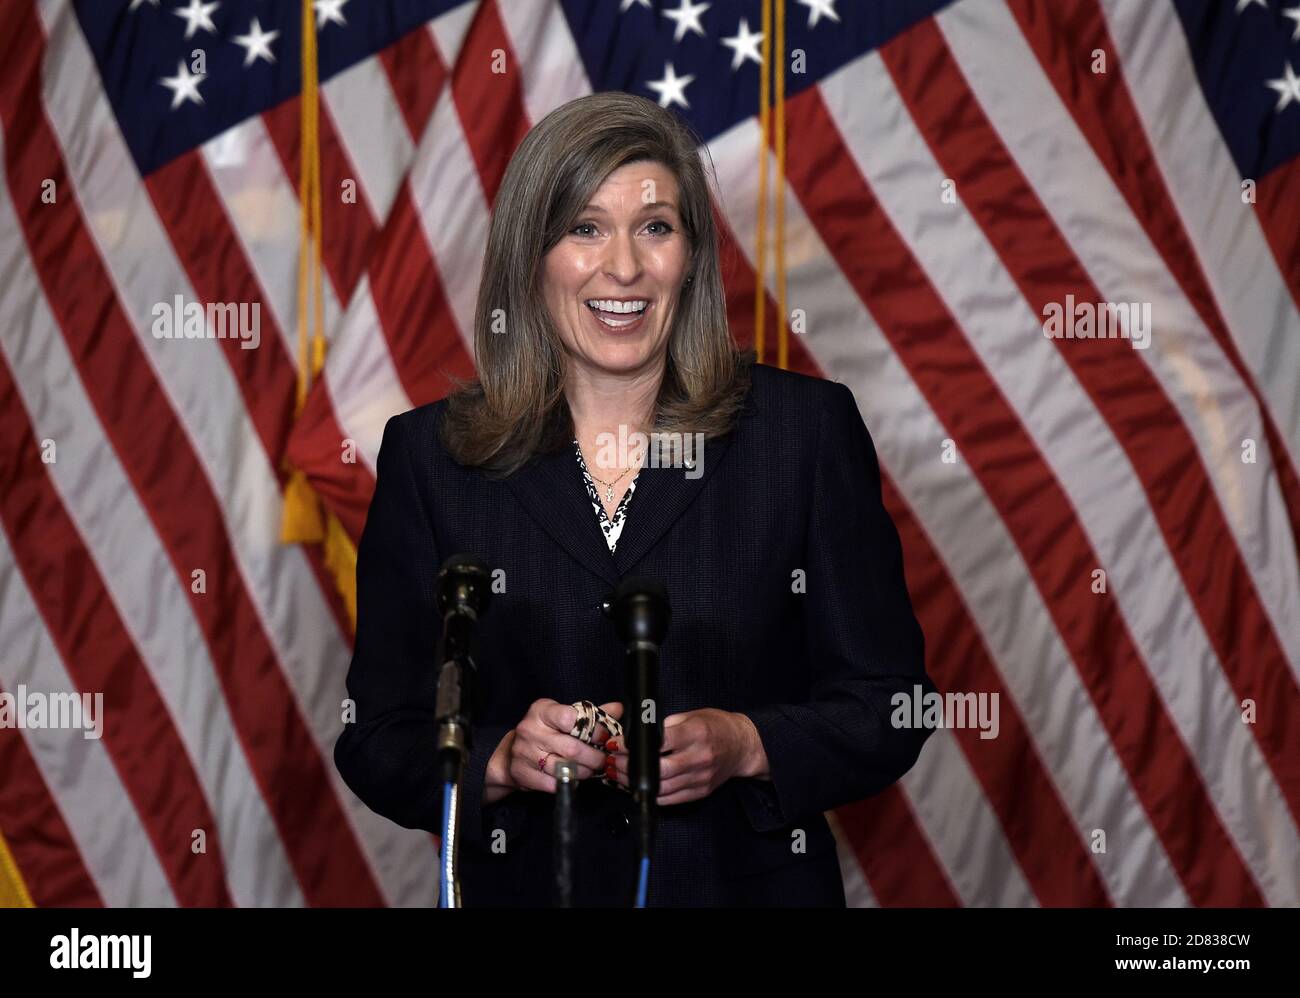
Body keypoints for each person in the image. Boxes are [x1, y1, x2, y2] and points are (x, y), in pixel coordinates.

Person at [333, 91, 937, 906]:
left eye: (655, 226)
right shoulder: (432, 459)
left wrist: (746, 742)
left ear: (690, 254)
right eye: (585, 227)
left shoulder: (803, 434)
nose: (623, 267)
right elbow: (377, 739)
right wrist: (501, 760)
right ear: (531, 254)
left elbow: (890, 706)